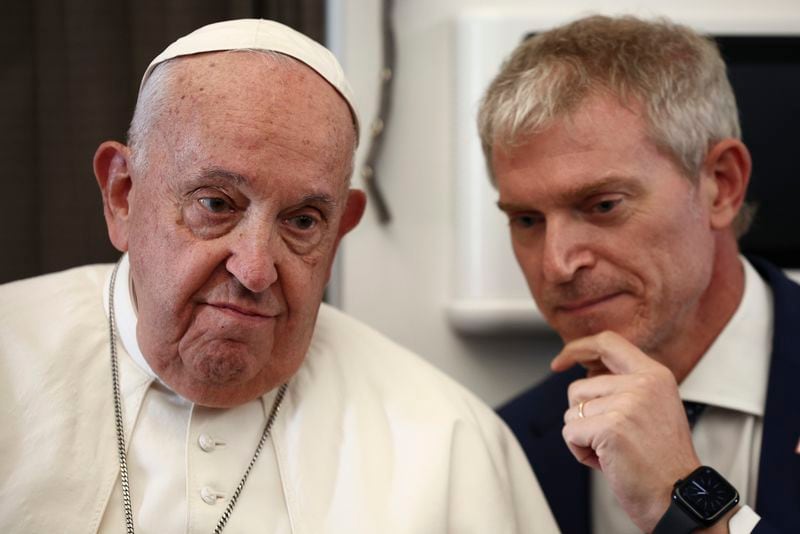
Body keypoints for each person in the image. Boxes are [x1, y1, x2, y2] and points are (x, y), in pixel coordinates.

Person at [0, 19, 559, 533]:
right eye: (216, 204)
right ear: (123, 196)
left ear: (339, 232)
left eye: (302, 221)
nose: (255, 268)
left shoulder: (449, 442)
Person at [478, 14, 799, 534]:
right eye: (527, 220)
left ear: (721, 184)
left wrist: (687, 503)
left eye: (602, 205)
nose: (556, 264)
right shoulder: (505, 444)